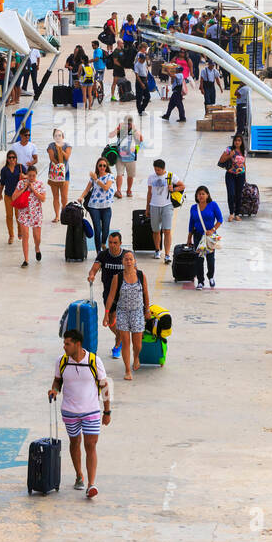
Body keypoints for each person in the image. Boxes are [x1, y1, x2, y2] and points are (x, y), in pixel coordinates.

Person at [48, 329, 109, 498]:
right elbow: (58, 380)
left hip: (91, 411)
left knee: (90, 445)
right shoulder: (61, 361)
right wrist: (54, 390)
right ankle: (79, 475)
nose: (64, 347)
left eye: (67, 344)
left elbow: (104, 386)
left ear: (78, 344)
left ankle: (91, 484)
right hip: (69, 412)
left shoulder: (94, 361)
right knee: (75, 443)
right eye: (64, 343)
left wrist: (107, 411)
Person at [105, 250, 150, 379]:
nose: (129, 262)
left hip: (137, 312)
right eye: (126, 259)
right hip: (122, 312)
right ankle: (127, 370)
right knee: (125, 342)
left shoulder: (141, 275)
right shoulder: (117, 277)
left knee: (137, 344)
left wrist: (147, 310)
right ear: (123, 262)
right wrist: (107, 314)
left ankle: (136, 357)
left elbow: (146, 294)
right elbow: (111, 297)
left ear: (134, 261)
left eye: (131, 259)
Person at [88, 232, 128, 360]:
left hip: (124, 293)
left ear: (120, 243)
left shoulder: (126, 255)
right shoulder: (103, 254)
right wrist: (92, 275)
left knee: (120, 321)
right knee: (111, 322)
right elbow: (94, 268)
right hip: (108, 293)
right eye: (110, 242)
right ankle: (122, 337)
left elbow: (134, 271)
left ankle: (117, 345)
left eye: (115, 243)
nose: (112, 245)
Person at [187, 185, 224, 290]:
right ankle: (200, 281)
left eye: (203, 194)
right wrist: (189, 237)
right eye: (199, 194)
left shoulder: (213, 205)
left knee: (210, 259)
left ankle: (211, 276)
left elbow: (220, 219)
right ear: (196, 196)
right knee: (199, 259)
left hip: (210, 236)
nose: (201, 196)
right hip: (198, 235)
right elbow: (191, 223)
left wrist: (212, 230)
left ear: (207, 195)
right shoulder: (194, 208)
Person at [79, 156, 116, 252]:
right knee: (97, 230)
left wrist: (96, 180)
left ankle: (103, 243)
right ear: (97, 166)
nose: (102, 167)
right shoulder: (94, 177)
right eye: (100, 165)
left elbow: (106, 187)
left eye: (104, 165)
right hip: (94, 206)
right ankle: (98, 252)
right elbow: (87, 189)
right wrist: (81, 197)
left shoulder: (110, 176)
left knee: (106, 230)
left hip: (106, 206)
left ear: (107, 166)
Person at [15, 164, 47, 267]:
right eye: (29, 175)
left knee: (37, 237)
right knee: (25, 236)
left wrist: (33, 189)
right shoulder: (21, 183)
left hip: (36, 213)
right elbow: (13, 197)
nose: (31, 178)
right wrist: (24, 188)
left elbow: (43, 199)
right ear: (26, 175)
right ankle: (26, 259)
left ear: (36, 175)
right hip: (24, 213)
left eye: (33, 175)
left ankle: (37, 248)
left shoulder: (40, 184)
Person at [219, 133, 249, 222]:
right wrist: (230, 155)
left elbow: (244, 164)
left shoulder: (244, 151)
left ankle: (237, 214)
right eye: (236, 140)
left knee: (238, 195)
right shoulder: (229, 149)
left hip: (241, 175)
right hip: (230, 175)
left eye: (239, 140)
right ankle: (231, 213)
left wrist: (245, 176)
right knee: (231, 194)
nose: (237, 142)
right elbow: (221, 160)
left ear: (241, 142)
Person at [46, 128, 71, 224]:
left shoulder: (67, 145)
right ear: (53, 137)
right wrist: (59, 167)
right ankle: (57, 216)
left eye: (59, 135)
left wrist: (60, 149)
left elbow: (67, 157)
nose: (58, 137)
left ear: (63, 136)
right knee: (55, 196)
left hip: (65, 173)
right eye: (56, 135)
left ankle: (63, 214)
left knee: (64, 196)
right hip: (54, 172)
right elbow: (52, 157)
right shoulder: (51, 146)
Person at [0, 150, 23, 244]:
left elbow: (28, 178)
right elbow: (2, 182)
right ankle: (11, 235)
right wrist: (0, 193)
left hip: (18, 196)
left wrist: (23, 175)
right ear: (7, 159)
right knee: (9, 216)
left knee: (18, 216)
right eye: (10, 157)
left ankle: (20, 231)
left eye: (13, 157)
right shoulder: (4, 170)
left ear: (16, 158)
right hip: (8, 195)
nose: (12, 159)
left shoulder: (20, 167)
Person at [111, 117, 139, 197]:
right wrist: (117, 128)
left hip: (131, 157)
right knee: (119, 174)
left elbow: (140, 139)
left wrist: (134, 130)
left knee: (130, 175)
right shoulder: (120, 130)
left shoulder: (134, 131)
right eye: (126, 123)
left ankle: (129, 190)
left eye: (129, 124)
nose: (127, 125)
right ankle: (119, 191)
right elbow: (111, 135)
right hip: (120, 157)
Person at [133, 48, 151, 115]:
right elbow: (137, 76)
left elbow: (146, 69)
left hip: (144, 79)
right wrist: (141, 84)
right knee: (139, 97)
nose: (143, 61)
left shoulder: (145, 62)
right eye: (142, 60)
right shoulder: (137, 65)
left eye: (144, 60)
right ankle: (139, 111)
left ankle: (142, 108)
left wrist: (146, 78)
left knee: (148, 96)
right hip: (139, 80)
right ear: (139, 59)